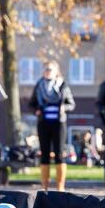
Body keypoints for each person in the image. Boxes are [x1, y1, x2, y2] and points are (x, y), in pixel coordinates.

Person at [28, 61, 75, 191]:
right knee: (45, 154)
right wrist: (36, 110)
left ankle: (60, 187)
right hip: (43, 123)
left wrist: (63, 108)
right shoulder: (39, 85)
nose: (47, 71)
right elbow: (31, 104)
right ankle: (45, 187)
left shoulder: (63, 86)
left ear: (56, 72)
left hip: (59, 123)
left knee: (59, 153)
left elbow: (71, 104)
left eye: (50, 69)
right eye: (45, 69)